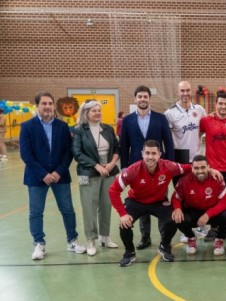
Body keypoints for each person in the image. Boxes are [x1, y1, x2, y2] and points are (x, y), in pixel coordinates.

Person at [20, 92, 86, 260]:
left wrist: (58, 172)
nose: (48, 106)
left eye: (50, 103)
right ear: (37, 106)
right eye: (44, 104)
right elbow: (26, 154)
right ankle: (39, 244)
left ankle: (72, 241)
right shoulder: (27, 126)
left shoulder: (62, 126)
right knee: (36, 212)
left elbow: (67, 152)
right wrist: (43, 174)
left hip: (60, 176)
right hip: (36, 177)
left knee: (68, 210)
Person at [109, 140, 192, 267]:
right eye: (147, 153)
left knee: (174, 219)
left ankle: (164, 246)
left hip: (158, 202)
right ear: (142, 154)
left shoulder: (169, 166)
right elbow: (113, 191)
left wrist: (210, 170)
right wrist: (122, 214)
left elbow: (190, 168)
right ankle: (129, 252)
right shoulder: (132, 170)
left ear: (159, 155)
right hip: (136, 202)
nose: (150, 157)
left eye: (154, 153)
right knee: (124, 224)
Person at [120, 85, 175, 250]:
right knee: (141, 203)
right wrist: (124, 167)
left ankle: (164, 238)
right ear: (135, 99)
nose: (143, 99)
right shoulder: (127, 120)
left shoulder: (161, 118)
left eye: (145, 96)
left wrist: (170, 165)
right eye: (140, 97)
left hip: (159, 169)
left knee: (161, 202)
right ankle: (145, 237)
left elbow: (169, 143)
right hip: (136, 170)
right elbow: (124, 146)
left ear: (150, 99)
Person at [71, 100, 120, 256]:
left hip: (109, 171)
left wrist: (111, 164)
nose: (98, 113)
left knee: (106, 205)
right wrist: (96, 166)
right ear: (86, 113)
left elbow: (116, 148)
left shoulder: (107, 129)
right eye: (94, 110)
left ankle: (104, 237)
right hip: (88, 172)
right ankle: (91, 239)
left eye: (99, 110)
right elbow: (77, 153)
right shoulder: (79, 130)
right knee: (89, 207)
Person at [171, 155, 226, 255]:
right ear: (192, 168)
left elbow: (225, 201)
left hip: (211, 212)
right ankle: (191, 237)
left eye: (203, 167)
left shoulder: (217, 178)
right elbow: (175, 198)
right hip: (193, 211)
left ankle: (219, 239)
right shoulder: (184, 181)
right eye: (196, 168)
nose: (200, 171)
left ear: (209, 167)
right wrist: (177, 208)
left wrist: (208, 214)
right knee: (177, 217)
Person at [199, 91, 226, 199]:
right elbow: (197, 135)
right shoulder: (206, 120)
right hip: (212, 169)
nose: (223, 106)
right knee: (211, 199)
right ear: (216, 104)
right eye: (220, 103)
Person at [164, 81, 207, 170]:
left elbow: (206, 127)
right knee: (180, 184)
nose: (185, 93)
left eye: (188, 90)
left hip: (197, 157)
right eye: (182, 91)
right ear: (177, 92)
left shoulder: (199, 110)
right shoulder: (169, 113)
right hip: (179, 158)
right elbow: (167, 138)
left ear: (191, 91)